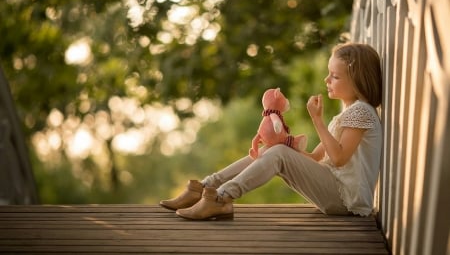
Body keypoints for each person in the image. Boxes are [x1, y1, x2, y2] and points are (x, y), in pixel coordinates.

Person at [159, 42, 383, 220]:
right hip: (335, 191)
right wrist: (281, 144)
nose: (327, 80)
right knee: (273, 149)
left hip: (346, 200)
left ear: (356, 79)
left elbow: (339, 158)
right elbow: (316, 158)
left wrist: (317, 120)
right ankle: (207, 187)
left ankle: (220, 198)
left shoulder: (361, 111)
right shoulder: (351, 113)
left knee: (278, 153)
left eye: (335, 76)